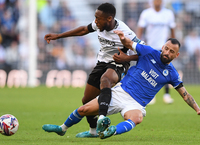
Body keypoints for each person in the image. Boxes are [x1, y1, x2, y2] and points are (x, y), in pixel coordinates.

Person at [42, 30, 200, 139]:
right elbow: (130, 43)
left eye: (171, 51)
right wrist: (122, 37)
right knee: (84, 109)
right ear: (163, 47)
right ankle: (62, 129)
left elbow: (185, 94)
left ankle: (112, 131)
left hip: (136, 103)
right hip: (120, 92)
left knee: (137, 118)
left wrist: (198, 109)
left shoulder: (172, 73)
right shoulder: (149, 51)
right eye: (166, 48)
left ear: (177, 55)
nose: (167, 53)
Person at [44, 2, 141, 138]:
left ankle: (102, 117)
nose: (95, 21)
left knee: (106, 79)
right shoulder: (99, 25)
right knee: (86, 100)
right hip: (102, 62)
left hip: (118, 62)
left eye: (98, 18)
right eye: (95, 17)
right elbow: (83, 29)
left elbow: (146, 52)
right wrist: (58, 36)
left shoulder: (125, 32)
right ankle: (93, 131)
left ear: (109, 19)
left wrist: (127, 58)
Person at [137, 0, 176, 104]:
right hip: (150, 46)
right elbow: (140, 29)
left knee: (166, 70)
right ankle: (150, 95)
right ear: (152, 1)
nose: (157, 2)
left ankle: (167, 95)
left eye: (159, 0)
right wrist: (138, 44)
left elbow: (172, 30)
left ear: (162, 2)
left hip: (165, 48)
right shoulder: (146, 13)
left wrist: (174, 46)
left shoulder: (168, 14)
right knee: (150, 71)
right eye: (155, 0)